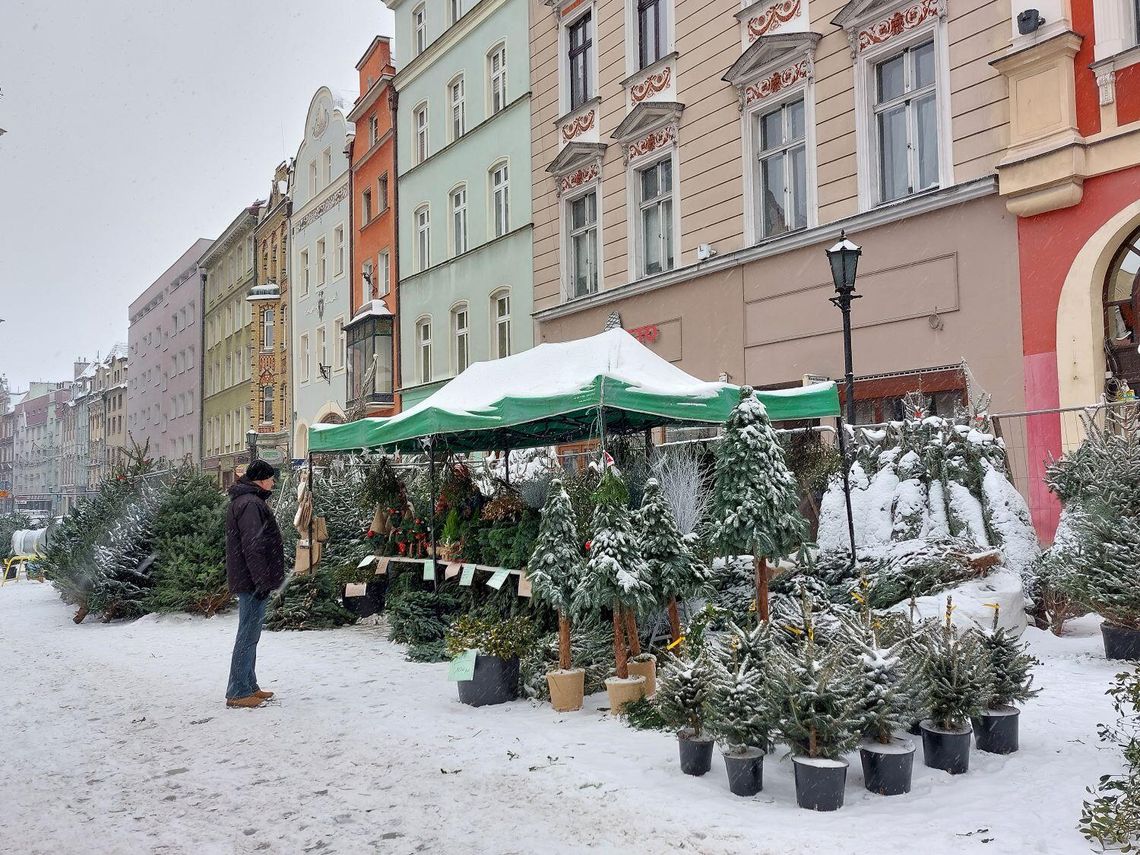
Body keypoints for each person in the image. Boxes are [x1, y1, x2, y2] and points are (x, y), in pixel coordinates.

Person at [225, 459, 285, 709]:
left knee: (251, 634)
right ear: (261, 480)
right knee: (248, 635)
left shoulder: (248, 501)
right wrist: (261, 581)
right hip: (252, 581)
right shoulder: (250, 504)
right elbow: (253, 545)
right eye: (271, 478)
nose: (273, 482)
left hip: (250, 578)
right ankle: (238, 691)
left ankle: (249, 685)